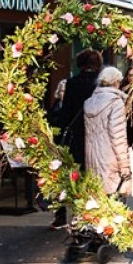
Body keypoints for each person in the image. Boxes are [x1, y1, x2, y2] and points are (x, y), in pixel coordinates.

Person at [49, 48, 102, 228]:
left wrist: (60, 133)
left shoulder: (71, 83)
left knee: (69, 174)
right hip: (95, 135)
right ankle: (86, 213)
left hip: (75, 136)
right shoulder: (101, 85)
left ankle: (61, 214)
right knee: (92, 175)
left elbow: (65, 112)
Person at [83, 65, 132, 197]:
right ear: (116, 82)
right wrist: (125, 167)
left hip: (92, 156)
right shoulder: (116, 103)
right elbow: (118, 137)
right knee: (113, 202)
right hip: (110, 158)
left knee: (96, 199)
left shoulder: (89, 102)